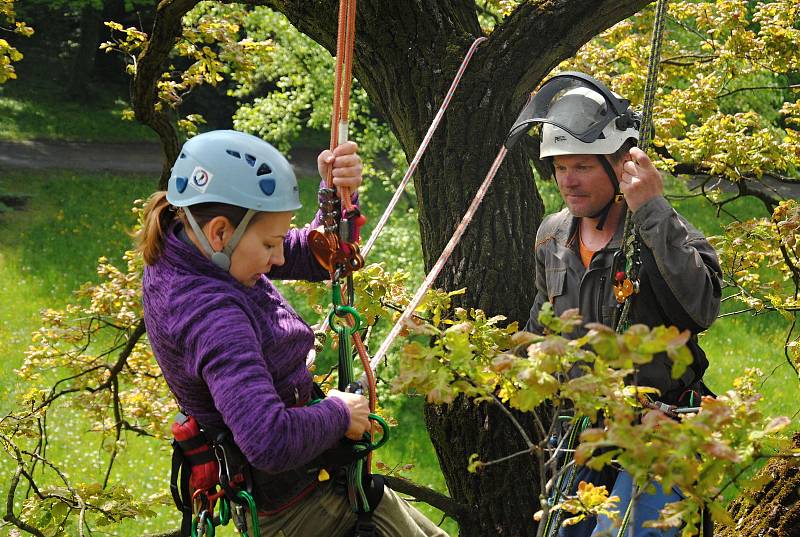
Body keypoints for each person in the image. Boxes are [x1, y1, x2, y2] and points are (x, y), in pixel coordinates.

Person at [138, 130, 447, 537]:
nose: (281, 257)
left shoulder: (190, 244)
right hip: (301, 510)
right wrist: (340, 414)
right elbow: (268, 440)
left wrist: (334, 196)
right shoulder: (211, 316)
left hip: (318, 485)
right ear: (220, 232)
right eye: (270, 244)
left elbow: (315, 256)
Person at [520, 73, 722, 536]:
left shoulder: (658, 233)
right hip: (582, 434)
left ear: (620, 165)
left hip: (659, 426)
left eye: (583, 167)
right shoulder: (552, 236)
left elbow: (702, 309)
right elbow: (542, 323)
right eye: (559, 168)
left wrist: (652, 210)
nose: (568, 181)